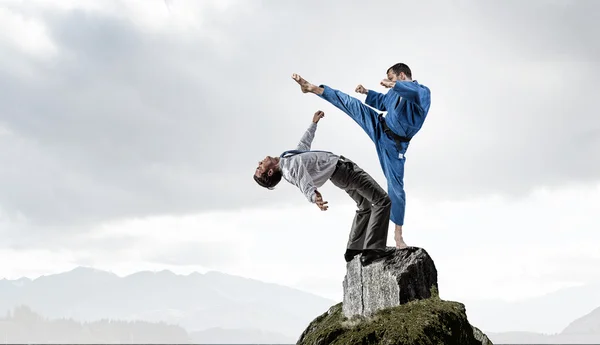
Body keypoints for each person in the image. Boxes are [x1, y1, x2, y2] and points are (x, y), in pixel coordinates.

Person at [291, 63, 431, 249]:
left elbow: (413, 93)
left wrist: (395, 85)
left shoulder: (422, 92)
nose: (389, 82)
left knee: (395, 187)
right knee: (352, 104)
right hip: (379, 126)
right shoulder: (394, 91)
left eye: (391, 78)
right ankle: (313, 88)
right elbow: (383, 102)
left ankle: (398, 237)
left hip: (394, 146)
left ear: (402, 75)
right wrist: (367, 92)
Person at [253, 110, 395, 266]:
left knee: (365, 206)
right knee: (383, 200)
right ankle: (373, 250)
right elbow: (303, 183)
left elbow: (303, 146)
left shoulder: (287, 160)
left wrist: (313, 124)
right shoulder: (290, 168)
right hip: (344, 171)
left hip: (339, 175)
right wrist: (314, 197)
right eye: (260, 167)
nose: (259, 163)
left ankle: (353, 248)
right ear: (270, 171)